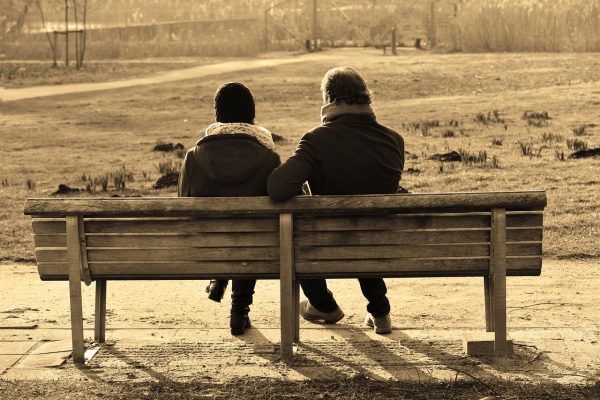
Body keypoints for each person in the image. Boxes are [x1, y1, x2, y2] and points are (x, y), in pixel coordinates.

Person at [267, 67, 404, 334]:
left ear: (330, 99)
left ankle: (323, 305)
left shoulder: (317, 139)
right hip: (381, 243)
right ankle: (380, 310)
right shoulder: (394, 140)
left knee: (297, 229)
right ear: (366, 99)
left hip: (326, 244)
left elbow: (277, 187)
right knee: (366, 219)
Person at [178, 82, 281, 336]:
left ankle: (220, 277)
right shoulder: (269, 157)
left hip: (206, 247)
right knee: (249, 234)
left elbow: (182, 202)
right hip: (255, 246)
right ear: (252, 115)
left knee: (228, 233)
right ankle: (240, 311)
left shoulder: (193, 156)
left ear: (217, 115)